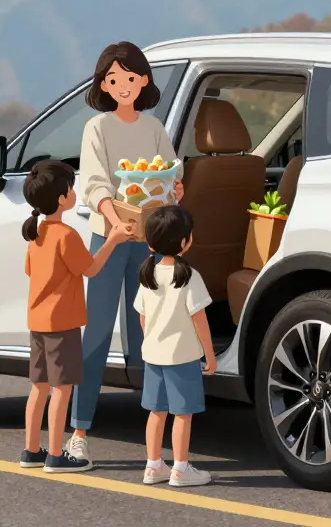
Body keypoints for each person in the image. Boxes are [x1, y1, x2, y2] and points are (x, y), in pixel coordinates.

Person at [68, 41, 185, 461]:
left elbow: (171, 169)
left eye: (130, 79)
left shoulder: (153, 128)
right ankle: (79, 431)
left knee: (150, 333)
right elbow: (94, 183)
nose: (123, 86)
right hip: (109, 238)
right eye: (113, 79)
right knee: (96, 334)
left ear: (144, 82)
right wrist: (112, 217)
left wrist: (175, 187)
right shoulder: (96, 128)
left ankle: (160, 437)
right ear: (103, 84)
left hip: (149, 240)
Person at [19, 160, 130, 473]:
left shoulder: (36, 233)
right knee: (62, 389)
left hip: (38, 322)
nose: (74, 192)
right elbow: (91, 269)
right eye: (70, 187)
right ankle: (56, 454)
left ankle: (31, 450)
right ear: (60, 199)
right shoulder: (66, 236)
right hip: (61, 324)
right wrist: (114, 239)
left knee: (39, 387)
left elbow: (30, 270)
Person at [133, 205, 215, 488]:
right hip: (183, 356)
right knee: (182, 413)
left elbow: (142, 317)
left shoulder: (148, 275)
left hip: (153, 355)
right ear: (185, 241)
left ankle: (153, 465)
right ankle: (180, 468)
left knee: (156, 412)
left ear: (150, 243)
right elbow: (199, 319)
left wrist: (152, 340)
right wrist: (209, 354)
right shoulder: (189, 276)